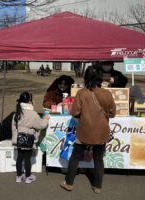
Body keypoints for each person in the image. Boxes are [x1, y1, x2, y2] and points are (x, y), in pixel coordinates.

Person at [60, 64, 116, 193]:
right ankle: (97, 186)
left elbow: (75, 112)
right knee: (98, 159)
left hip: (84, 131)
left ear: (86, 77)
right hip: (101, 131)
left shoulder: (81, 93)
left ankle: (69, 183)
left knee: (75, 156)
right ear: (100, 77)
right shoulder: (107, 93)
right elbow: (113, 113)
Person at [12, 92, 49, 183]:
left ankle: (18, 177)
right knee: (27, 159)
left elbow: (13, 127)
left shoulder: (17, 113)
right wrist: (46, 119)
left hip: (19, 139)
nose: (34, 101)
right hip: (29, 140)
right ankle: (28, 177)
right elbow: (41, 125)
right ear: (29, 101)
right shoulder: (33, 114)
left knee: (19, 158)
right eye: (32, 99)